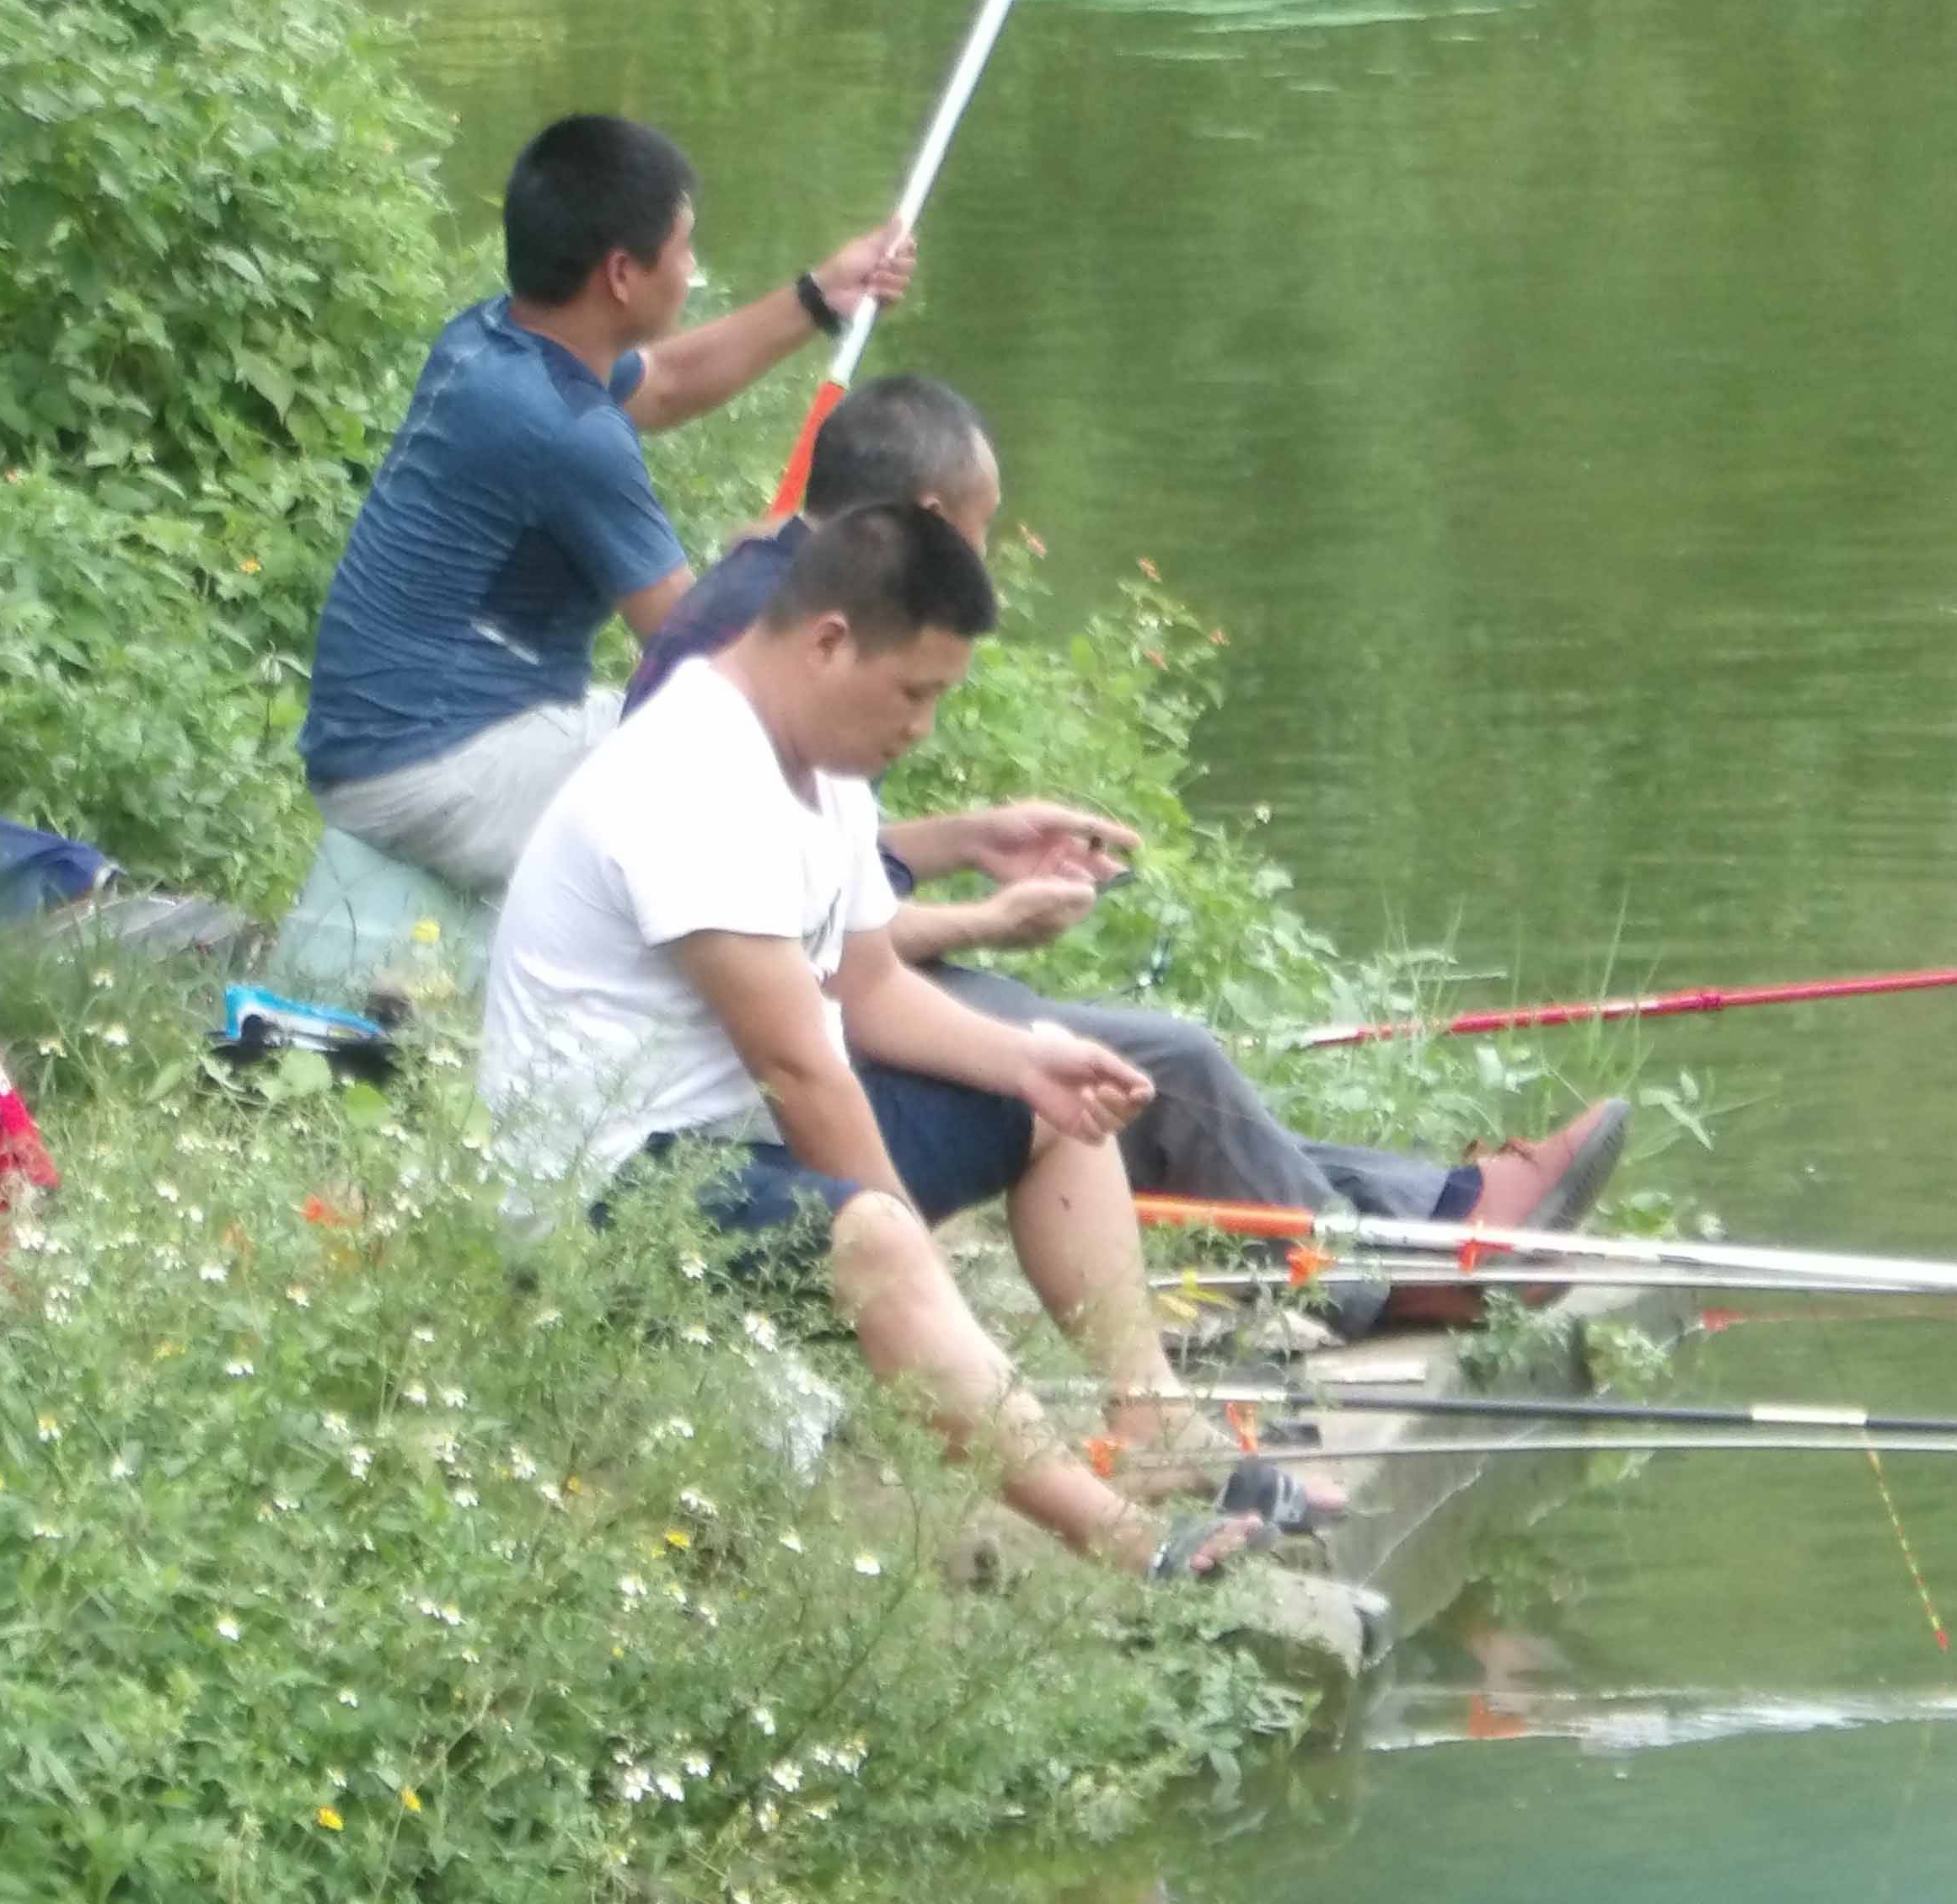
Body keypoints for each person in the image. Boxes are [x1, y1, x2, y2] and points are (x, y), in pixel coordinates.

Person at [632, 372, 1624, 1330]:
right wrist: (988, 924)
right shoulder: (779, 648)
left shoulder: (787, 604)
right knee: (1142, 1059)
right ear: (930, 521)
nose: (992, 557)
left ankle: (1439, 1216)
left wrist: (973, 839)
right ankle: (1388, 1272)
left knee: (1109, 1060)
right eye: (983, 528)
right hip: (733, 1076)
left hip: (798, 1008)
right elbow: (776, 935)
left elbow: (812, 869)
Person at [477, 501, 1302, 1581]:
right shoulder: (689, 781)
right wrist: (926, 1285)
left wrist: (1026, 1063)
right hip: (606, 1184)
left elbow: (866, 991)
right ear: (828, 642)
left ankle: (1150, 1428)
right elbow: (800, 1067)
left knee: (1052, 1100)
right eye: (914, 692)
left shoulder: (823, 770)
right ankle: (1127, 1544)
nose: (922, 726)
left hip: (738, 1137)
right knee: (873, 1237)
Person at [300, 113, 915, 897]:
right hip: (430, 770)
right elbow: (708, 656)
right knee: (757, 762)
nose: (693, 269)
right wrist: (786, 552)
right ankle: (832, 957)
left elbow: (662, 384)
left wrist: (820, 296)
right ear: (622, 274)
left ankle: (866, 887)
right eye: (685, 248)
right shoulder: (567, 432)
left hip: (390, 742)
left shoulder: (492, 339)